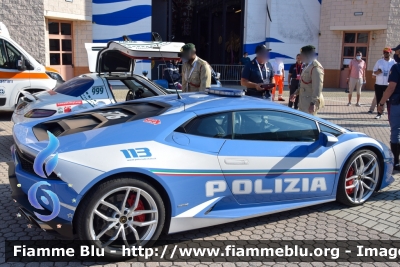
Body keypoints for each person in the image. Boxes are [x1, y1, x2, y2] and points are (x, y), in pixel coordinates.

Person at [377, 44, 400, 171]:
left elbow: (391, 88)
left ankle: (396, 162)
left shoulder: (397, 67)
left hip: (397, 103)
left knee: (396, 132)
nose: (395, 54)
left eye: (396, 52)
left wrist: (381, 103)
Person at [289, 45, 324, 116]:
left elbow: (317, 87)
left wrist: (313, 103)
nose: (300, 57)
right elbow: (303, 84)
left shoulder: (316, 68)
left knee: (310, 124)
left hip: (310, 103)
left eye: (302, 55)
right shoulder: (307, 66)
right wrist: (295, 93)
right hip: (304, 101)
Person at [372, 47, 396, 119]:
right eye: (384, 52)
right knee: (379, 99)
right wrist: (378, 72)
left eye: (387, 52)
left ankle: (390, 115)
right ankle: (379, 113)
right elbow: (373, 74)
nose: (386, 54)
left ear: (390, 53)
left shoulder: (393, 62)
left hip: (388, 85)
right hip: (379, 84)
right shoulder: (379, 62)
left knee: (389, 100)